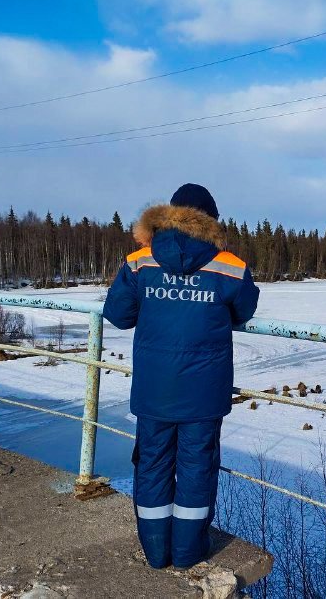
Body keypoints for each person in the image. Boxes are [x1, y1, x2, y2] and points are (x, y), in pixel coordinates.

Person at [103, 183, 260, 569]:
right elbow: (243, 311)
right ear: (212, 221)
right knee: (196, 468)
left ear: (170, 215)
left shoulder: (141, 261)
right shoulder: (230, 266)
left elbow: (119, 314)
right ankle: (189, 553)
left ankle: (157, 553)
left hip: (155, 390)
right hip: (205, 393)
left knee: (153, 464)